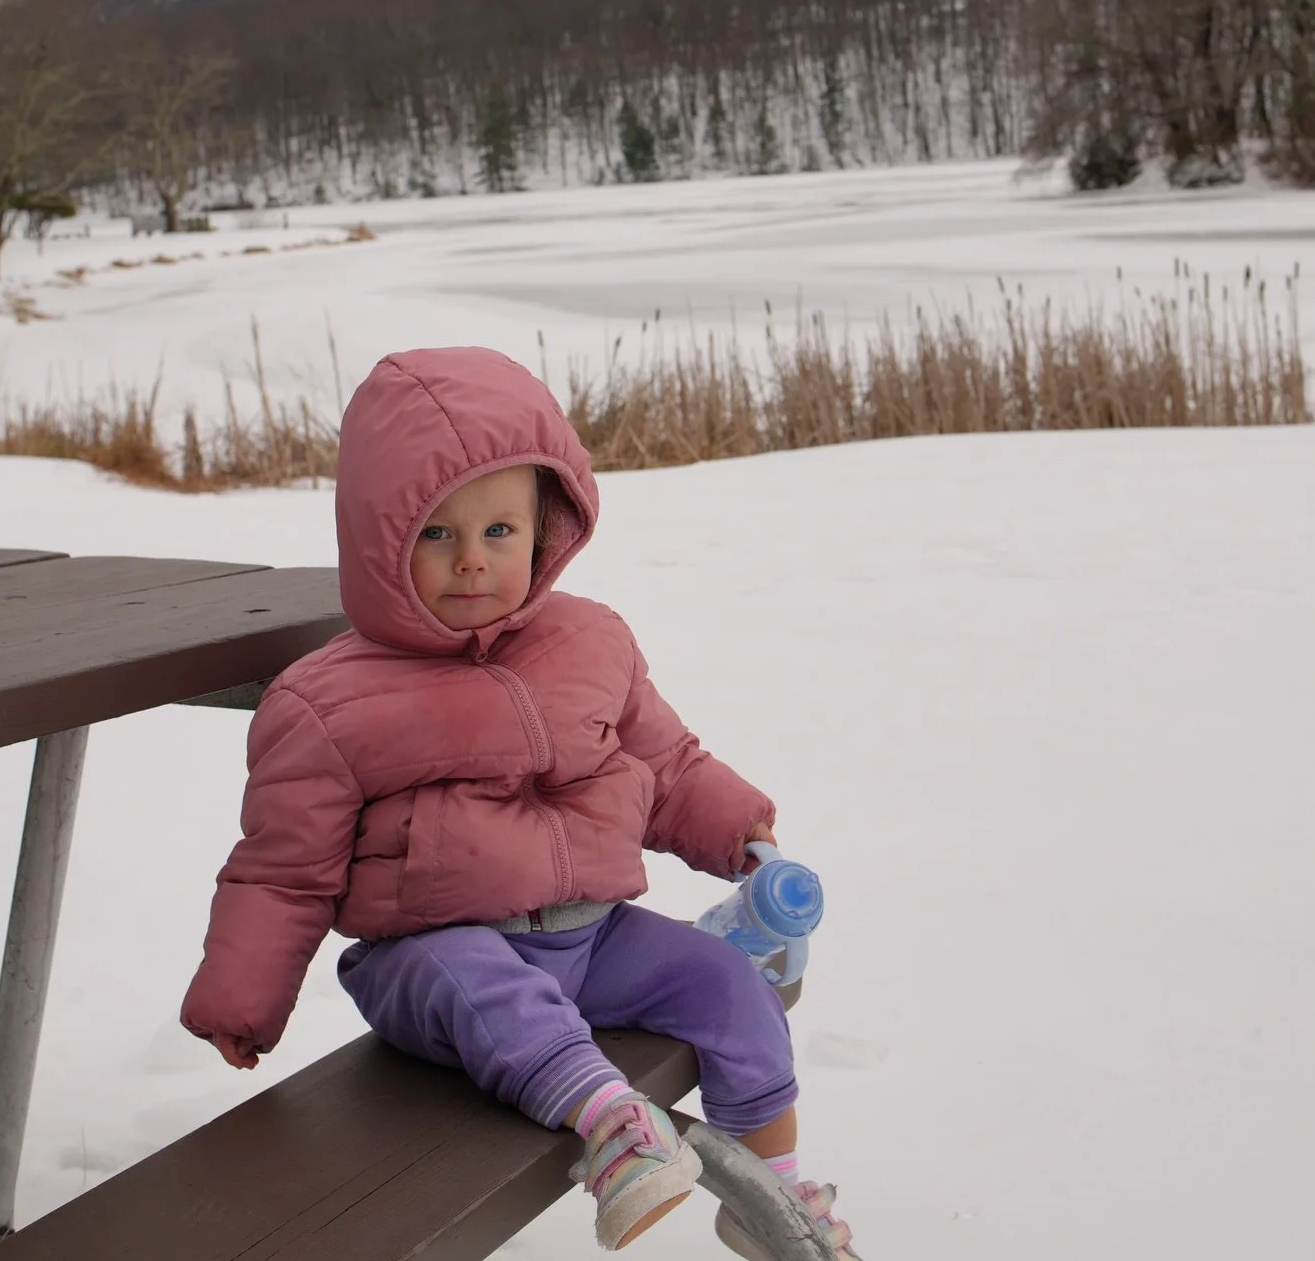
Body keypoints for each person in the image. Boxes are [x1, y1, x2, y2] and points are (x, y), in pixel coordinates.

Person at [182, 345, 858, 1256]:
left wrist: (738, 826)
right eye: (435, 534)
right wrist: (242, 999)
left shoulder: (591, 641)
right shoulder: (326, 703)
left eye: (498, 531)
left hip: (592, 937)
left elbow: (665, 761)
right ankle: (613, 1128)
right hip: (427, 959)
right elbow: (282, 870)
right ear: (380, 540)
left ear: (545, 529)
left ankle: (770, 1194)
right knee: (481, 978)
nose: (471, 561)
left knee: (727, 982)